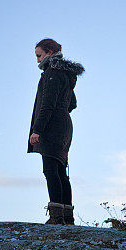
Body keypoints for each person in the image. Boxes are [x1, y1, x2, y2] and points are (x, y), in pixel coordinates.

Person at [28, 38, 85, 225]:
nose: (37, 60)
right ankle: (67, 217)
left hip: (52, 126)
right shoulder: (66, 74)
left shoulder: (52, 73)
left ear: (49, 53)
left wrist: (37, 130)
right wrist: (62, 112)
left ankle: (56, 217)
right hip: (65, 126)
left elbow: (47, 105)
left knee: (51, 170)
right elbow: (73, 104)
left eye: (39, 55)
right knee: (60, 170)